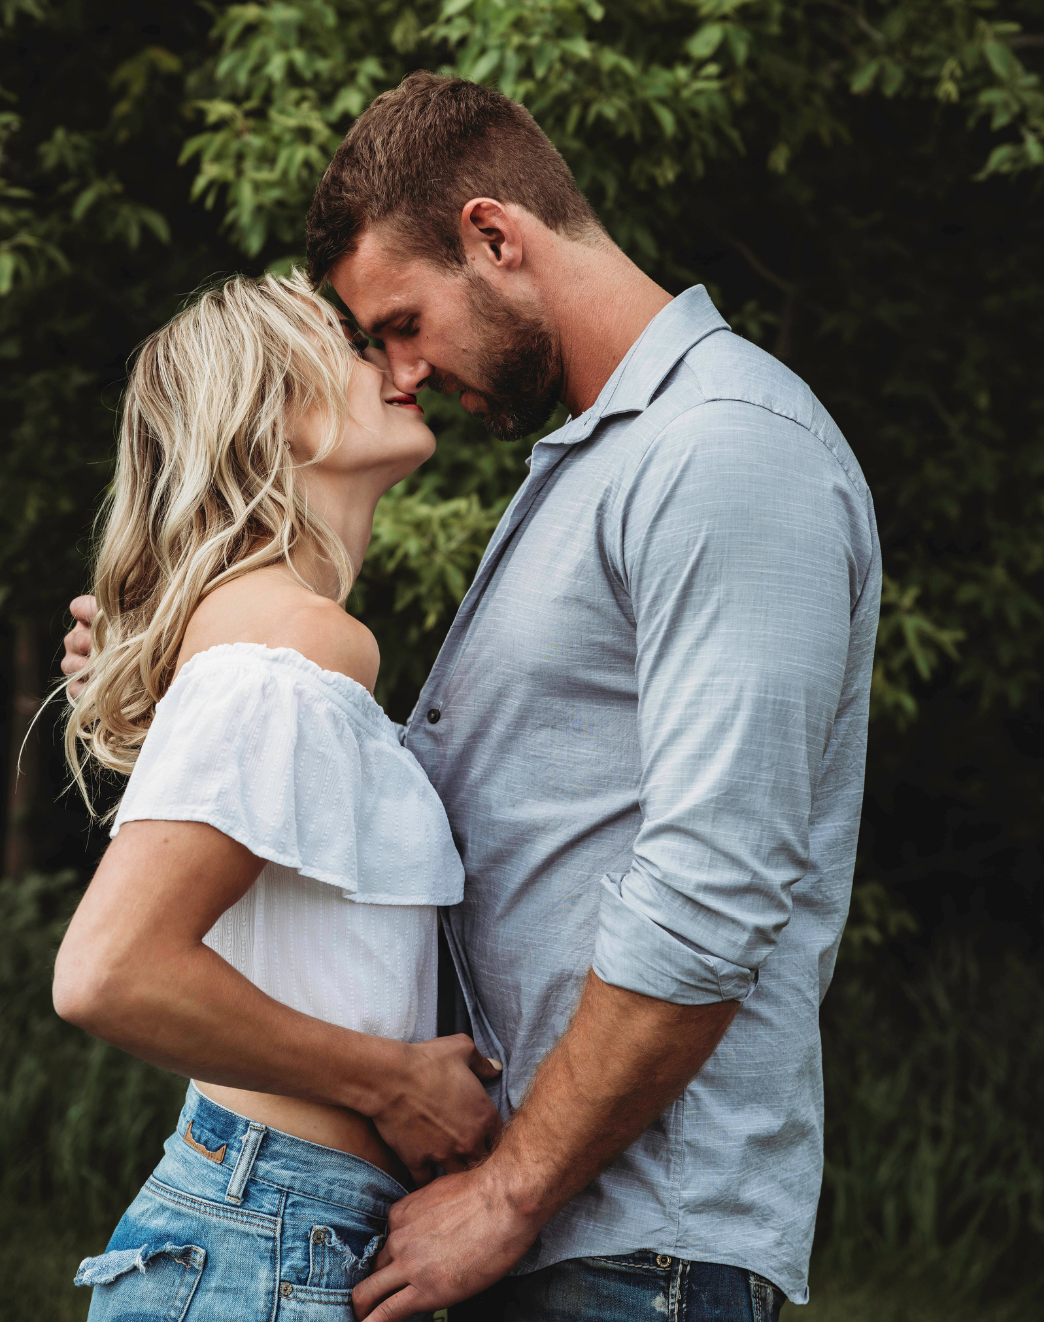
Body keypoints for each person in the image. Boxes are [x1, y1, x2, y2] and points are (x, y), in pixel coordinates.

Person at [66, 72, 881, 1322]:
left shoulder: (722, 451)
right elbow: (367, 832)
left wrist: (509, 1188)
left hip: (624, 1231)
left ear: (495, 237)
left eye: (398, 320)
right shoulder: (588, 469)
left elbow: (716, 882)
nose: (401, 367)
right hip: (514, 1221)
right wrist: (179, 686)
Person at [53, 269, 502, 1317]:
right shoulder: (294, 641)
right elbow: (106, 969)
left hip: (275, 1223)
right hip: (264, 1229)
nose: (400, 364)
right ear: (270, 414)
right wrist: (390, 1079)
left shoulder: (269, 642)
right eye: (351, 348)